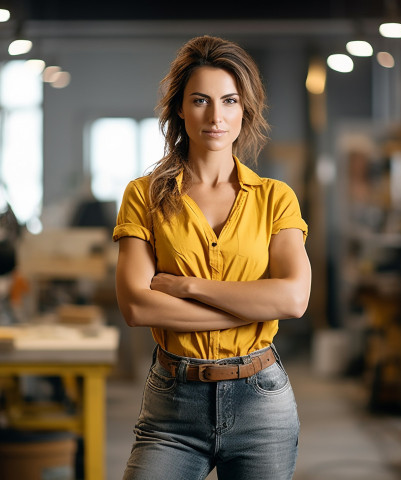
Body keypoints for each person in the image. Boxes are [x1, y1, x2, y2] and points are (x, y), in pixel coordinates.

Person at [113, 35, 311, 480]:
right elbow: (137, 306)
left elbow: (294, 299)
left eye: (229, 101)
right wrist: (250, 309)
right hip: (173, 404)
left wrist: (188, 287)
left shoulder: (275, 199)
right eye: (200, 100)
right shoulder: (144, 196)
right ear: (180, 108)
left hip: (261, 403)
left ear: (246, 109)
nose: (215, 116)